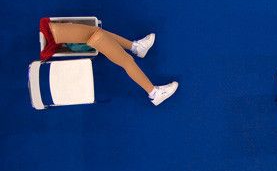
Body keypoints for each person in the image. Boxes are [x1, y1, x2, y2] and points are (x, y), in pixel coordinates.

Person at [40, 18, 178, 106]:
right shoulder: (51, 29)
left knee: (96, 32)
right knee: (125, 60)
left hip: (54, 33)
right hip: (54, 33)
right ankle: (154, 93)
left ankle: (136, 47)